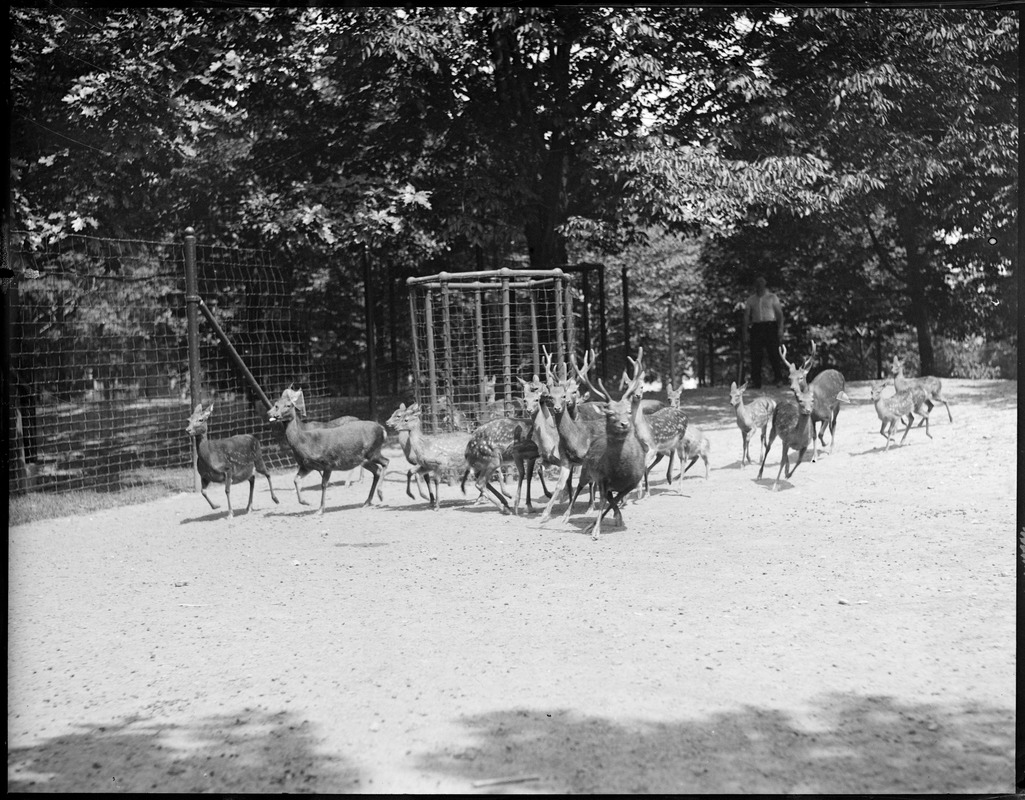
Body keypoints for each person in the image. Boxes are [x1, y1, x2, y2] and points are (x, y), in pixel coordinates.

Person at [742, 276, 787, 389]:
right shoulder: (751, 300)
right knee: (756, 354)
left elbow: (779, 314)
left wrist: (780, 328)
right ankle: (756, 381)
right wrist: (745, 331)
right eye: (757, 284)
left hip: (770, 326)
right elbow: (747, 316)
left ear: (765, 285)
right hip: (757, 327)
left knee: (774, 353)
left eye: (761, 284)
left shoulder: (772, 297)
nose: (759, 286)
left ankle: (778, 379)